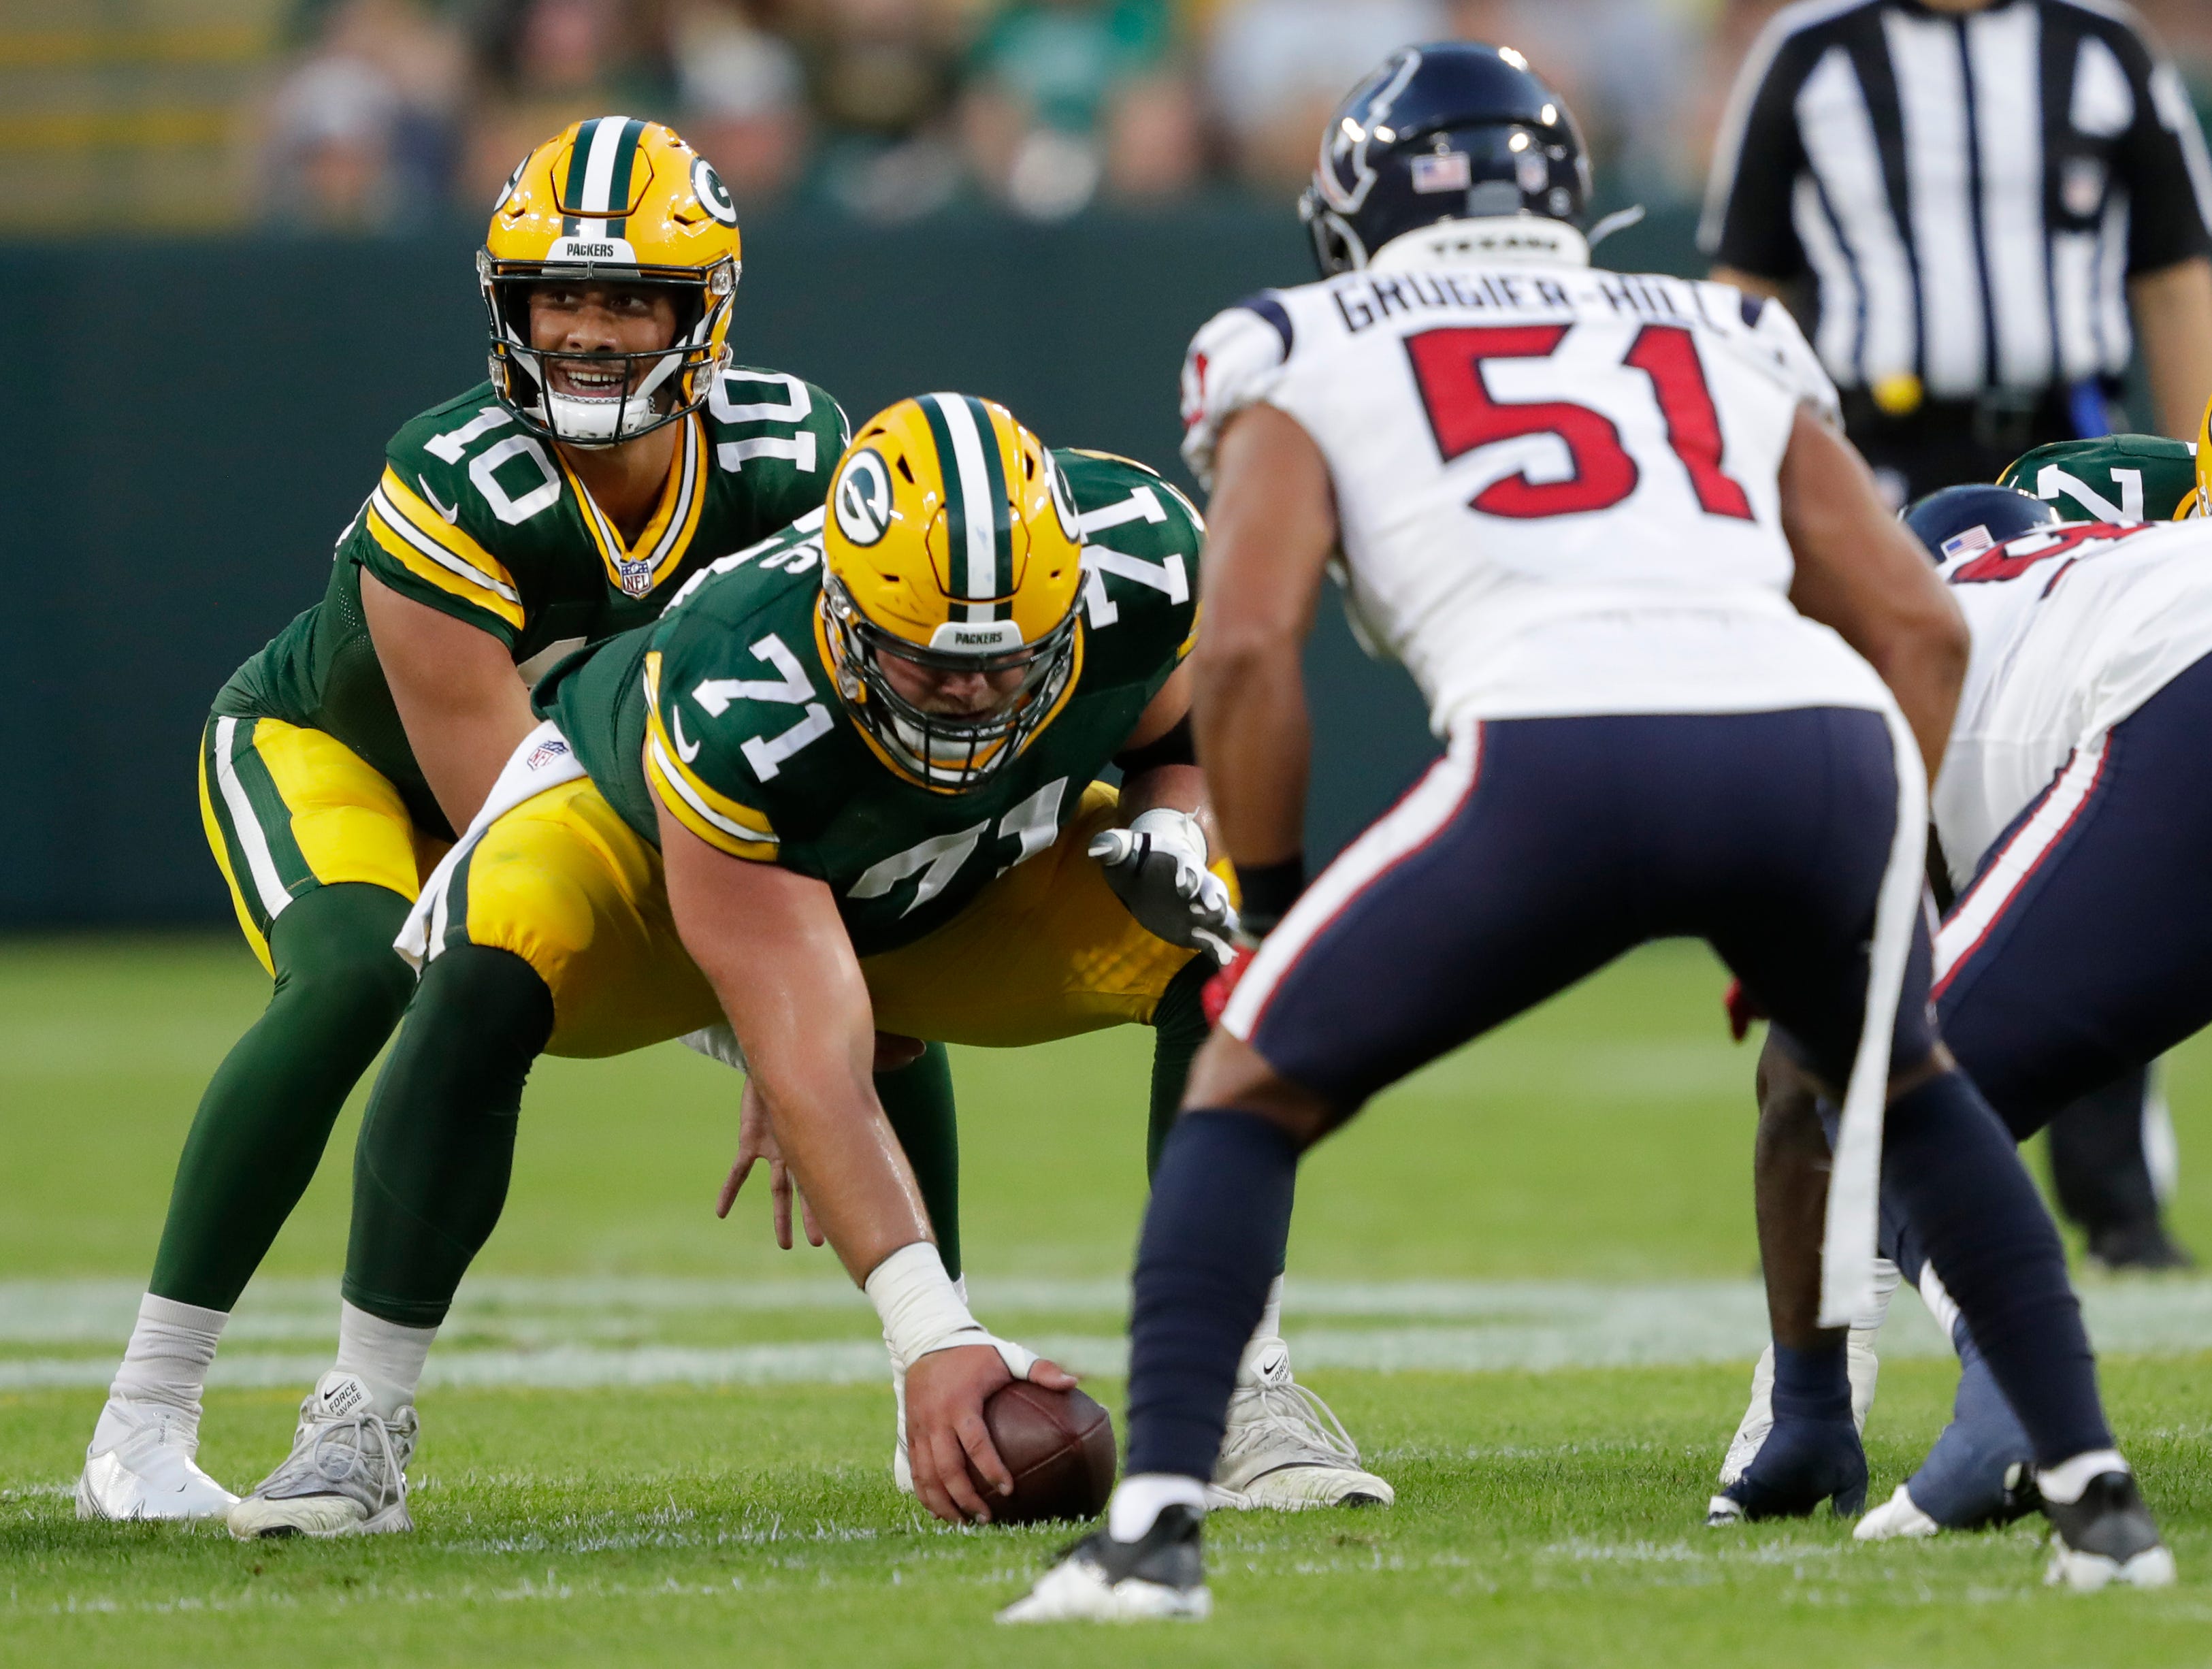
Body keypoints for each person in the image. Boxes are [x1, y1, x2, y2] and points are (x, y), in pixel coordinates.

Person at [1004, 42, 2172, 1622]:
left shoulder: (1297, 341)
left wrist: (1268, 901)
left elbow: (1249, 653)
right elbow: (1920, 626)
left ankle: (1151, 1539)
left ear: (1352, 216)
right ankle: (2101, 1505)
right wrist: (1869, 890)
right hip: (1806, 750)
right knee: (1911, 1083)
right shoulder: (1723, 327)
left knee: (1240, 1083)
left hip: (1557, 753)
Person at [221, 396, 1391, 1540]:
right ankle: (361, 1412)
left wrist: (1175, 829)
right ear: (844, 609)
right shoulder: (742, 686)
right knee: (487, 963)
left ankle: (1243, 1384)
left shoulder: (1141, 561)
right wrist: (930, 1332)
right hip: (639, 841)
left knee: (1229, 938)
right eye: (932, 665)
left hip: (940, 861)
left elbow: (1176, 737)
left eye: (1008, 663)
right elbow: (821, 1061)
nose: (975, 694)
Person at [76, 116, 856, 1523]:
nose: (591, 331)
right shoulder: (454, 475)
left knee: (869, 971)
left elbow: (792, 761)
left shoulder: (790, 460)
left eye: (629, 297)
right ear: (510, 305)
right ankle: (143, 1416)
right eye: (560, 294)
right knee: (354, 976)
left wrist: (798, 1013)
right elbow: (521, 808)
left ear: (705, 309)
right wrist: (747, 1006)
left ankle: (954, 1360)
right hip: (346, 760)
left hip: (575, 791)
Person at [1717, 463, 2212, 1541]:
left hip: (2182, 679)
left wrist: (1804, 1397)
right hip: (2167, 672)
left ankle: (2008, 1412)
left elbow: (1810, 1082)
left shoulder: (1901, 651)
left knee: (1880, 1083)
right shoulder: (2085, 578)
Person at [1702, 0, 2212, 505]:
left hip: (2076, 445)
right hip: (1874, 450)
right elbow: (1747, 293)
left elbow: (2174, 283)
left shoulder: (2107, 44)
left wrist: (2201, 490)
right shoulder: (1807, 51)